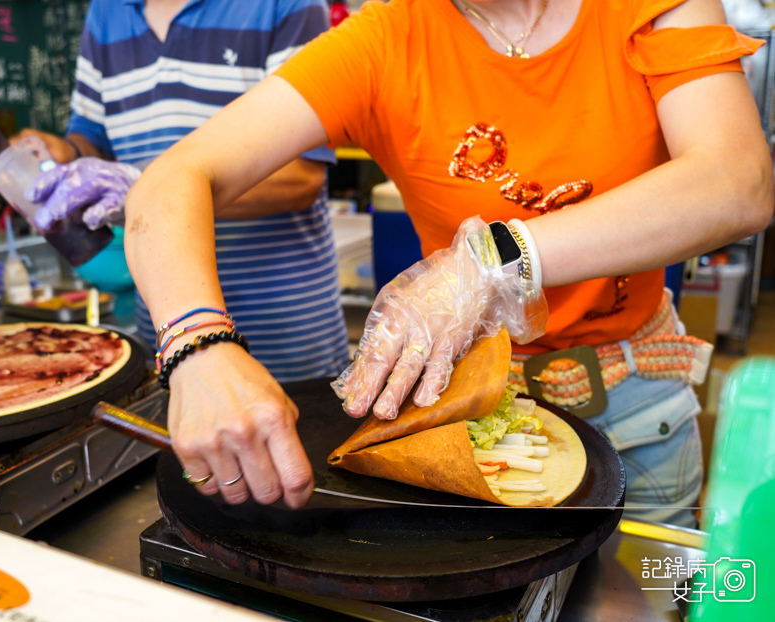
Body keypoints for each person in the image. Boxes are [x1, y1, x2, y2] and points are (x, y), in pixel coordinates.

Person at [123, 0, 774, 527]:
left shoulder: (652, 8)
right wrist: (197, 347)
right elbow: (175, 178)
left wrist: (490, 263)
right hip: (465, 414)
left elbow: (735, 181)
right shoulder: (387, 37)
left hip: (637, 407)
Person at [13, 0, 351, 382]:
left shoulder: (287, 5)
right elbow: (92, 137)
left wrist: (146, 190)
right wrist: (67, 153)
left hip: (285, 330)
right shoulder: (106, 13)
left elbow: (300, 178)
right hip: (167, 329)